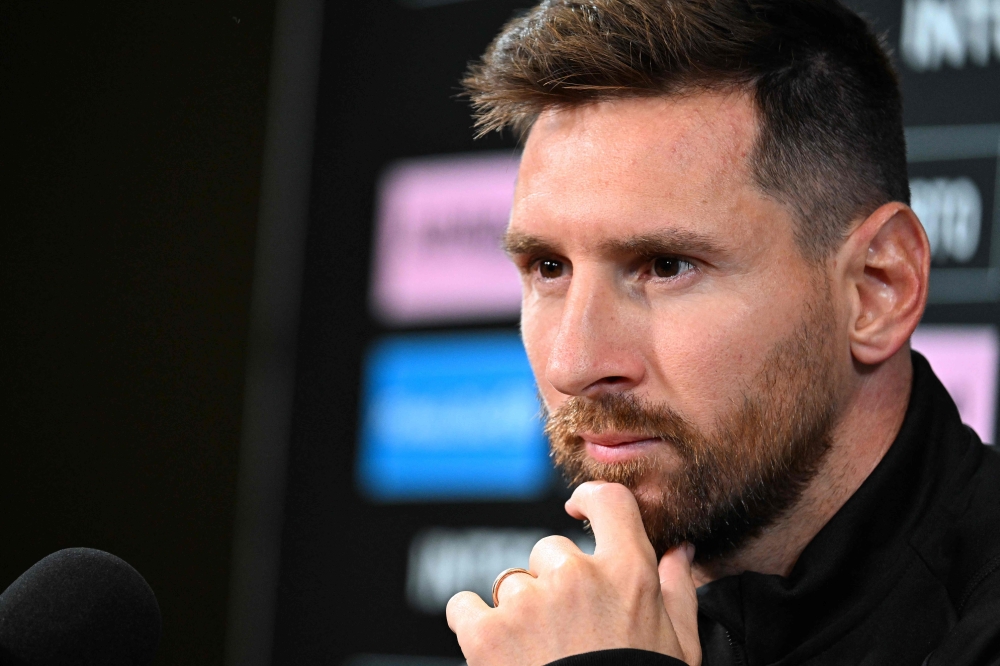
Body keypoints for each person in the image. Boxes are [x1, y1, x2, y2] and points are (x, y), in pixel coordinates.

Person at [443, 0, 1000, 665]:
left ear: (878, 289)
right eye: (548, 267)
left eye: (666, 266)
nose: (573, 363)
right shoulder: (577, 628)